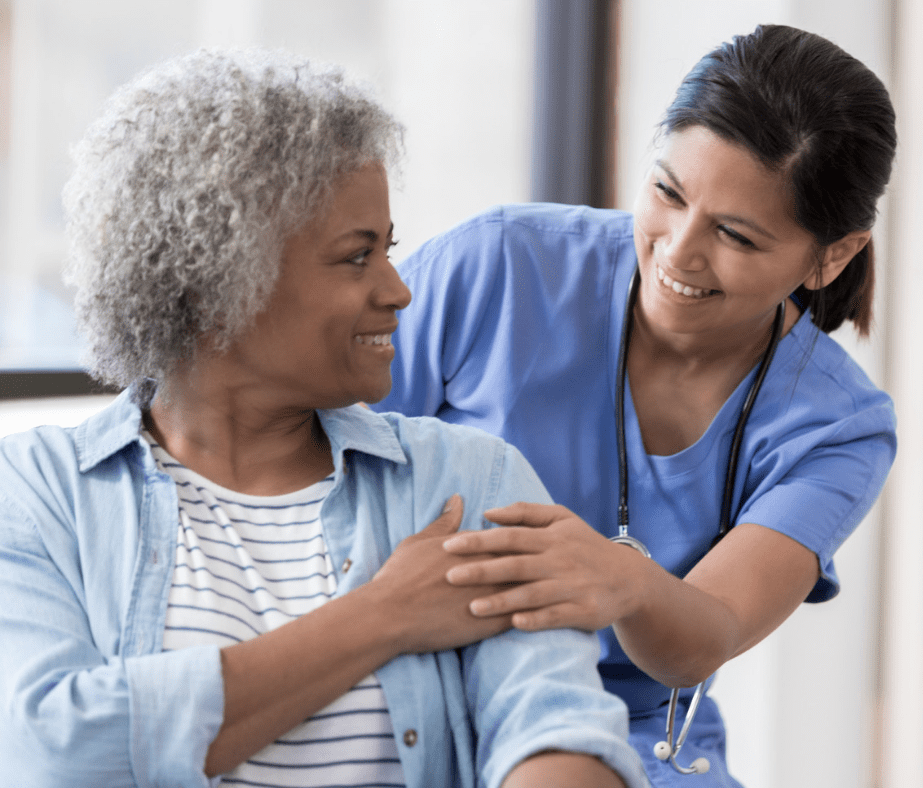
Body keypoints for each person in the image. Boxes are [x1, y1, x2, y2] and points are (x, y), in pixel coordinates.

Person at [0, 48, 651, 788]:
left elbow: (555, 726)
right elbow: (51, 749)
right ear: (220, 288)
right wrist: (384, 614)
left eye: (389, 249)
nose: (399, 291)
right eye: (356, 258)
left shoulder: (471, 479)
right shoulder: (34, 495)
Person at [375, 24, 897, 787]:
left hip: (639, 735)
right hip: (415, 678)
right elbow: (312, 449)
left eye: (736, 237)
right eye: (667, 193)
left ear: (833, 255)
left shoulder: (840, 428)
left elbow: (702, 638)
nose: (678, 252)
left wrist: (623, 581)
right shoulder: (501, 265)